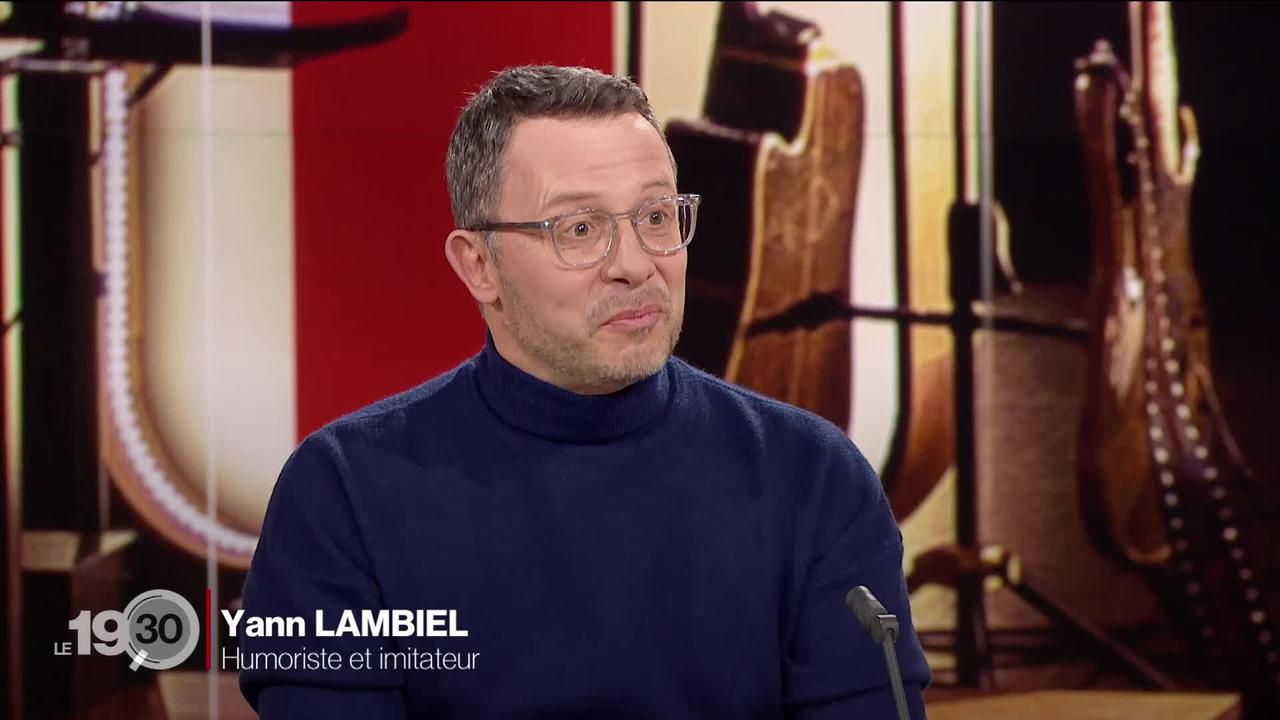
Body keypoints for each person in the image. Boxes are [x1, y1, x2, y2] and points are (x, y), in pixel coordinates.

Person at [238, 64, 931, 719]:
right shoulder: (342, 493)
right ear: (480, 265)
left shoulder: (813, 478)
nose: (634, 265)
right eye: (579, 229)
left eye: (657, 217)